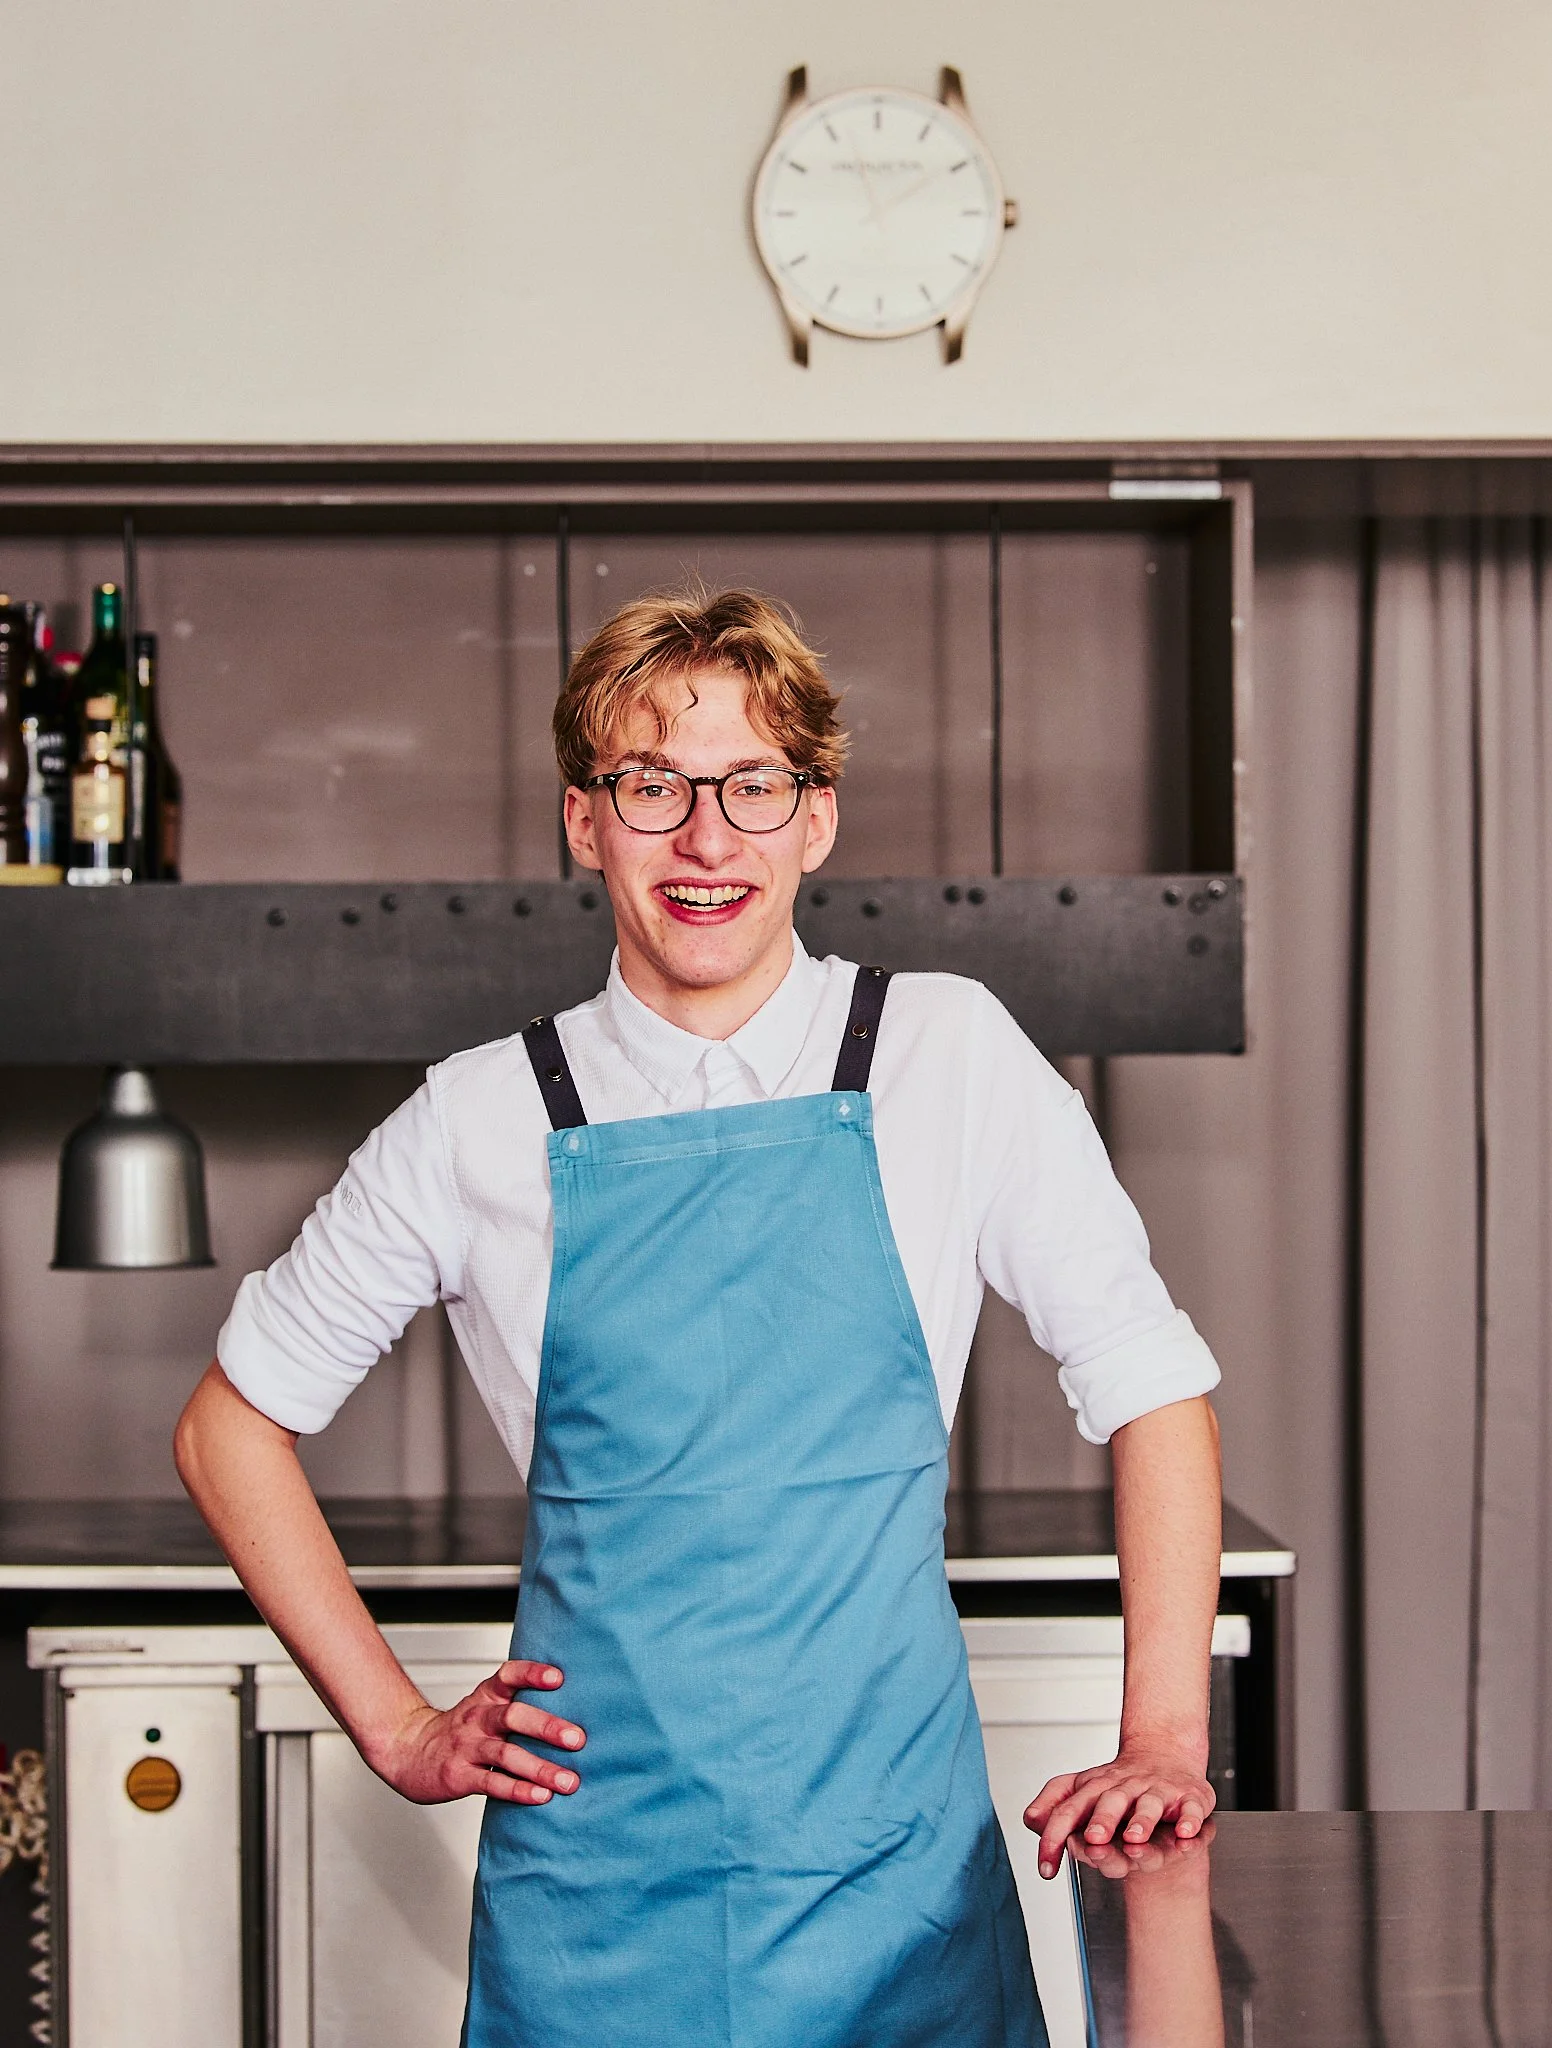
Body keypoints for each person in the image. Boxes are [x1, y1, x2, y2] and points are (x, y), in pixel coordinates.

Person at [176, 587, 1224, 2048]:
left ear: (817, 819)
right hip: (596, 1907)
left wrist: (1161, 1739)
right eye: (652, 788)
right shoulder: (477, 1117)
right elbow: (233, 1429)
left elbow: (1148, 1388)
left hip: (894, 1882)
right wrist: (400, 1728)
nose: (706, 840)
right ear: (583, 820)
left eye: (751, 787)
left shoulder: (946, 1053)